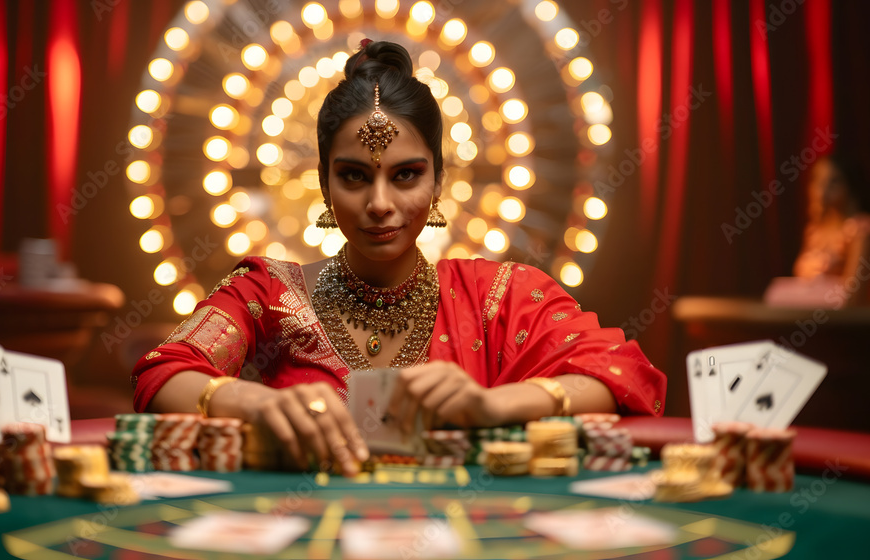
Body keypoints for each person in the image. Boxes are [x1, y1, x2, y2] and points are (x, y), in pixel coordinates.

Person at [132, 40, 666, 476]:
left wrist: (494, 406)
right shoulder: (269, 292)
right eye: (354, 176)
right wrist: (255, 404)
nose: (380, 204)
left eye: (406, 175)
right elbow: (164, 374)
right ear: (323, 182)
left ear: (439, 181)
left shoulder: (502, 295)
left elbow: (620, 373)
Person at [792, 154, 870, 303]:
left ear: (851, 185)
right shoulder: (814, 230)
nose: (822, 189)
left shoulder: (863, 231)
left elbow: (854, 298)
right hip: (805, 317)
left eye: (833, 182)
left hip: (843, 322)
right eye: (817, 180)